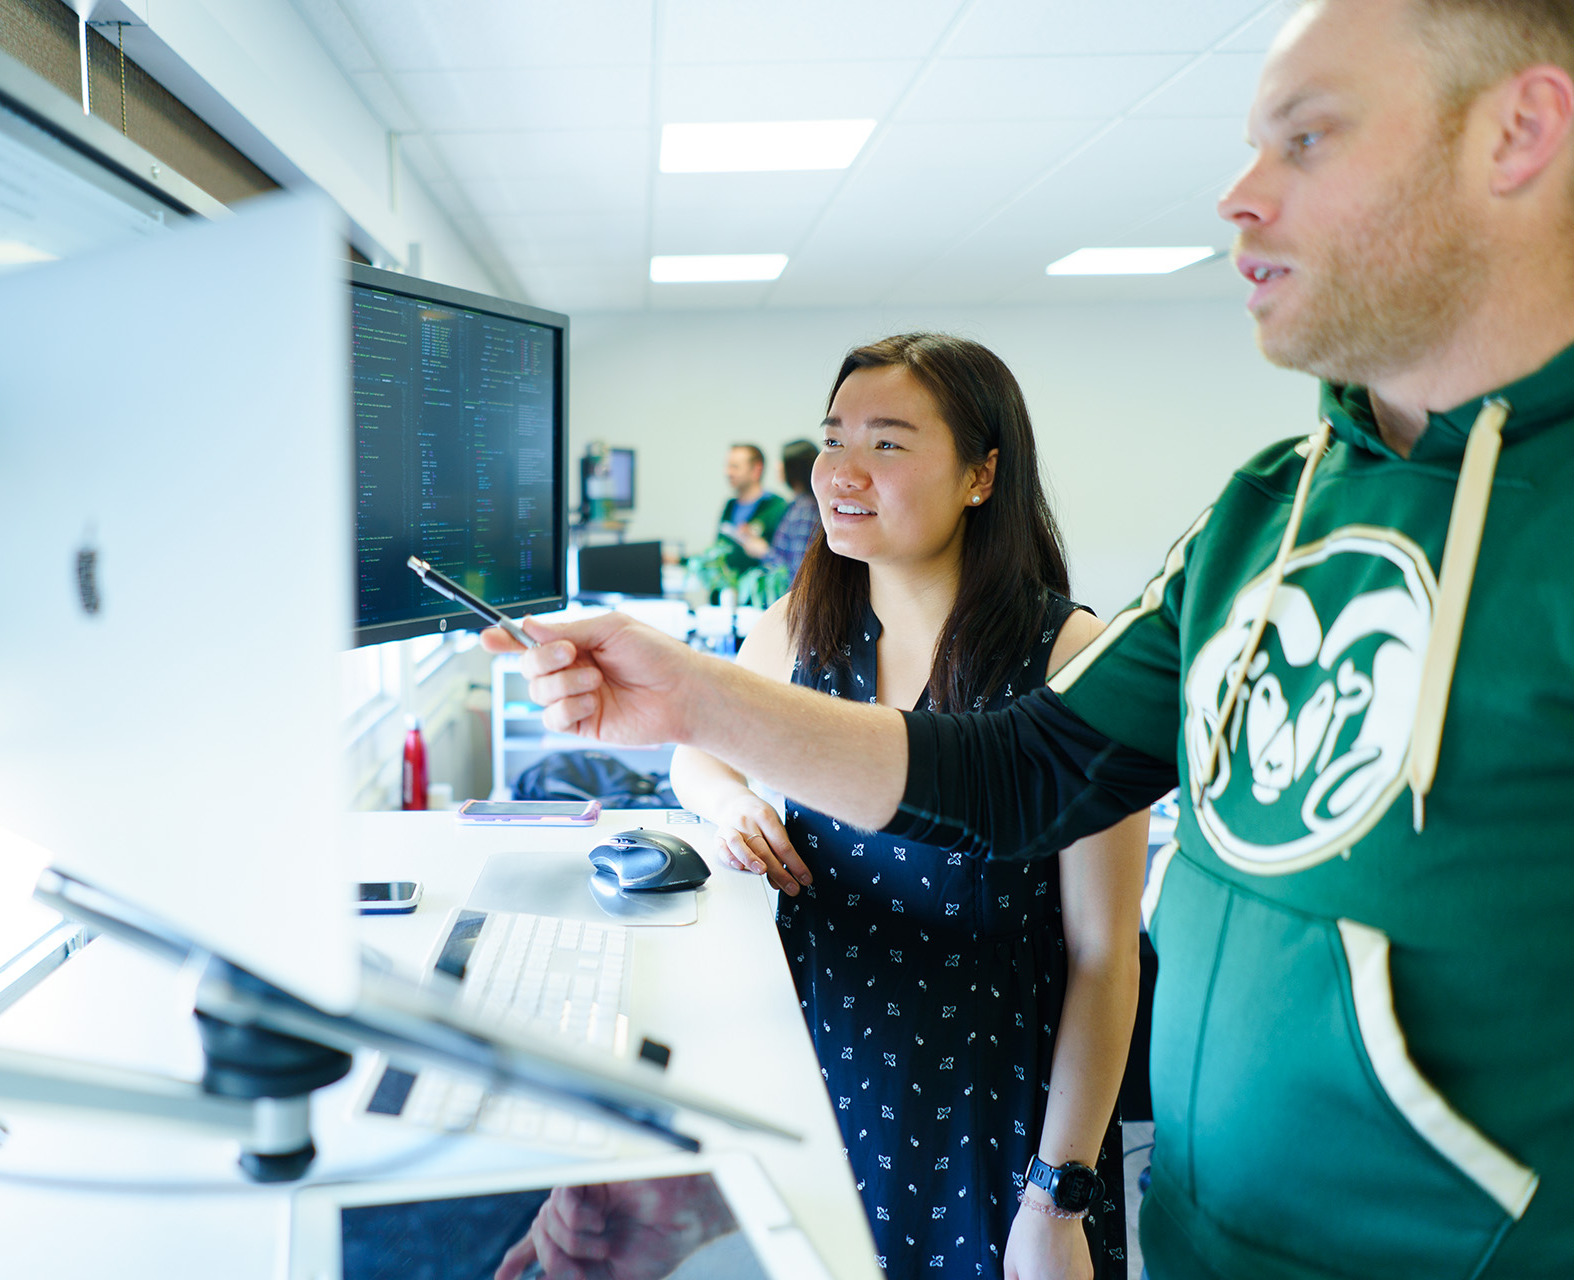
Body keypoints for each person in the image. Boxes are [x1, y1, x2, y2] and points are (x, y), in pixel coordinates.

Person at [485, 1, 1574, 1274]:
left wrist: (1053, 1188)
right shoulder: (1264, 514)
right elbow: (1019, 772)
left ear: (1519, 131)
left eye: (1309, 138)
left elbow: (1096, 940)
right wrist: (692, 701)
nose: (1237, 195)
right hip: (1201, 1236)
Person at [670, 334, 1146, 1280]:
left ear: (981, 475)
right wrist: (728, 805)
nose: (840, 472)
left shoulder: (1069, 657)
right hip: (824, 1086)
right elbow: (696, 753)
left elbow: (1105, 956)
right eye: (833, 438)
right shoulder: (805, 628)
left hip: (995, 1117)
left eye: (886, 443)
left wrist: (1056, 1197)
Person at [728, 438, 823, 586]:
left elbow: (798, 571)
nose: (778, 467)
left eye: (783, 462)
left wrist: (763, 551)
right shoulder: (797, 506)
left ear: (794, 468)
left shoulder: (805, 511)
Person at [713, 443, 786, 580]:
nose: (728, 473)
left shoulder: (776, 507)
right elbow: (718, 550)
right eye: (727, 466)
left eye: (735, 467)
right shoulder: (730, 506)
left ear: (756, 470)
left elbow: (786, 560)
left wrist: (763, 550)